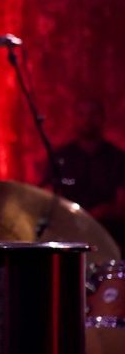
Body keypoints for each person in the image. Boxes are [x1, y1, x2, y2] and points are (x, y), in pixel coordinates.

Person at [41, 97, 125, 251]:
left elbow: (121, 205)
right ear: (74, 118)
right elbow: (47, 197)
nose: (88, 120)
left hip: (109, 237)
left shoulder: (118, 158)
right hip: (68, 236)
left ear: (102, 118)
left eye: (93, 114)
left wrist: (98, 214)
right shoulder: (61, 157)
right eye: (82, 115)